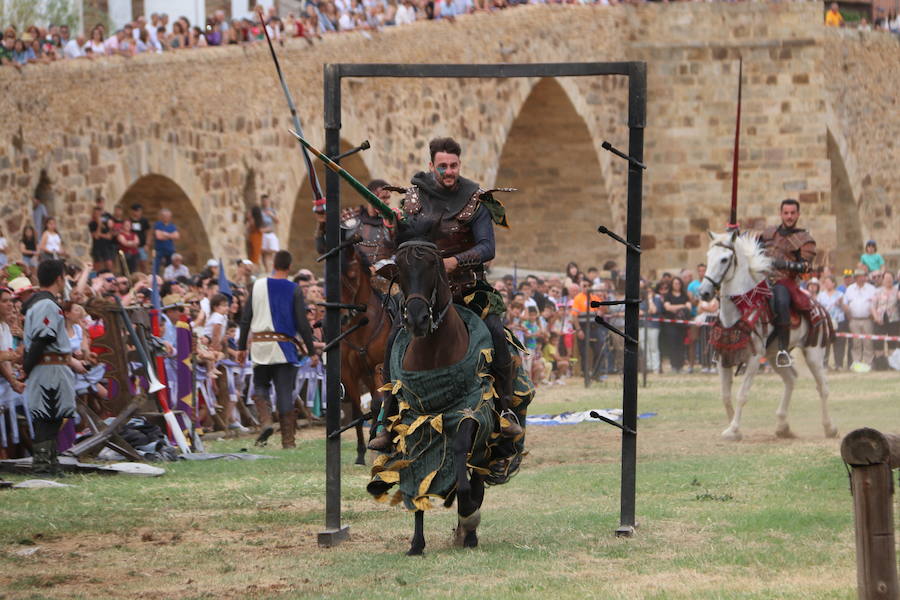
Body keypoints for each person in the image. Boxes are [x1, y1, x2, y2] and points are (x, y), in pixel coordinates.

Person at [368, 137, 523, 451]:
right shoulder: (411, 202)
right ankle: (389, 417)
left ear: (459, 165)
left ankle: (505, 408)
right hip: (424, 290)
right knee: (395, 334)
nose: (449, 171)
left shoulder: (475, 201)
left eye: (453, 165)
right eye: (443, 166)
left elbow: (487, 247)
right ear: (431, 166)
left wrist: (456, 260)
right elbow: (397, 242)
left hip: (468, 286)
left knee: (494, 329)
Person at [237, 250, 318, 449]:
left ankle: (265, 422)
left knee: (261, 386)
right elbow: (302, 322)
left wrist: (240, 347)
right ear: (290, 267)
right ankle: (288, 441)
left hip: (260, 346)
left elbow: (246, 318)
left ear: (273, 264)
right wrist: (311, 350)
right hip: (284, 347)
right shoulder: (294, 289)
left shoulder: (257, 286)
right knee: (284, 392)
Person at [22, 260, 86, 475]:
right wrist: (27, 368)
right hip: (48, 366)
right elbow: (42, 338)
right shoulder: (46, 305)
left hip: (54, 366)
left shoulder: (47, 303)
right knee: (47, 412)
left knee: (55, 413)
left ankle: (50, 460)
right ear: (59, 278)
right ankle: (42, 464)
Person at [758, 199, 816, 368]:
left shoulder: (805, 239)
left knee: (781, 302)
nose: (789, 216)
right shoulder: (769, 233)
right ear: (781, 213)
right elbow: (751, 246)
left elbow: (805, 267)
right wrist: (735, 232)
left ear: (798, 214)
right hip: (761, 279)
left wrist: (784, 264)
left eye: (792, 213)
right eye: (786, 213)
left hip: (784, 281)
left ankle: (783, 350)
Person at [841, 268, 877, 368]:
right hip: (854, 320)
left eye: (863, 276)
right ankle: (856, 363)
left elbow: (875, 303)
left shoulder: (871, 288)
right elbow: (845, 304)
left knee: (868, 342)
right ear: (856, 278)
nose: (862, 278)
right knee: (856, 343)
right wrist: (849, 316)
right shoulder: (850, 289)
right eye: (859, 276)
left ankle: (868, 363)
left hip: (867, 320)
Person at [871, 270, 899, 367]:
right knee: (878, 343)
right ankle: (880, 364)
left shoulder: (897, 291)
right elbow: (873, 306)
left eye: (890, 279)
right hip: (880, 320)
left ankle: (893, 364)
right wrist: (876, 317)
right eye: (886, 279)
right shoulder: (877, 292)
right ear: (883, 279)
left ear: (893, 279)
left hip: (893, 321)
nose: (888, 280)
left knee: (893, 343)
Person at [129, 204, 152, 273]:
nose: (137, 213)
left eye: (139, 211)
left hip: (142, 246)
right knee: (133, 264)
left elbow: (149, 232)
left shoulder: (144, 221)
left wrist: (147, 244)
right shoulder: (129, 221)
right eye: (135, 211)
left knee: (143, 263)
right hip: (132, 246)